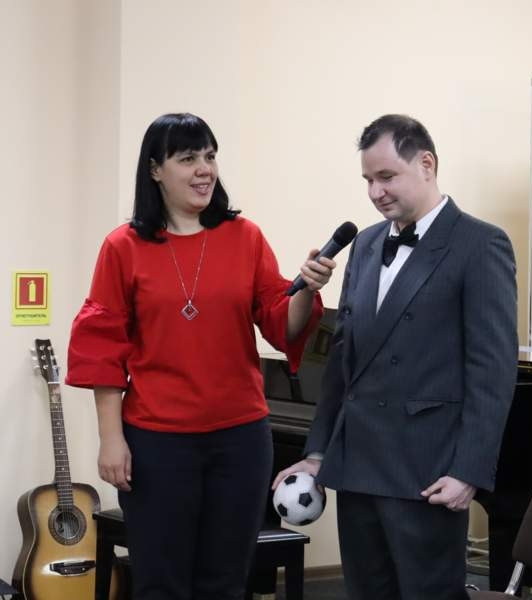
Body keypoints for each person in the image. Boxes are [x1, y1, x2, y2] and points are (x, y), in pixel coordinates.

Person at [65, 113, 335, 600]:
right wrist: (111, 439)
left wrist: (306, 292)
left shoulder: (245, 236)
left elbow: (282, 324)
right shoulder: (123, 247)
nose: (204, 169)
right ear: (155, 170)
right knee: (161, 583)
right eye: (188, 158)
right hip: (156, 442)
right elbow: (102, 347)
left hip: (240, 439)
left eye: (209, 157)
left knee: (226, 583)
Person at [273, 114, 518, 600]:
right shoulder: (365, 244)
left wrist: (468, 471)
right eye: (368, 179)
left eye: (386, 176)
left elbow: (492, 369)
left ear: (426, 164)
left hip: (427, 469)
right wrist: (317, 452)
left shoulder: (480, 243)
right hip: (358, 463)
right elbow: (343, 360)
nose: (375, 192)